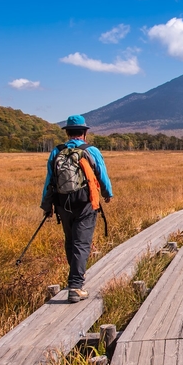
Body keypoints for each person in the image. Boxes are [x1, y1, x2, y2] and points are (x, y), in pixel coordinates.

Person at [41, 115, 114, 303]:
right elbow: (101, 174)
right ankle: (75, 286)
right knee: (81, 243)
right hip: (85, 203)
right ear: (85, 132)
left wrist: (47, 205)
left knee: (71, 240)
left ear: (67, 132)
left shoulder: (57, 151)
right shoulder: (90, 150)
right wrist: (107, 194)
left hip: (62, 203)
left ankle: (75, 279)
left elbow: (49, 181)